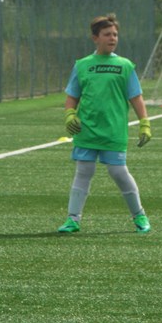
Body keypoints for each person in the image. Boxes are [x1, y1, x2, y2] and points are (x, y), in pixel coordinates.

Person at [57, 13, 152, 234]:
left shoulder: (125, 66)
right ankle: (72, 219)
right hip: (86, 130)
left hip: (113, 131)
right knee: (83, 172)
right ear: (95, 38)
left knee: (119, 173)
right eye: (107, 34)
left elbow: (136, 97)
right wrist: (70, 114)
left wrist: (144, 123)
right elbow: (72, 96)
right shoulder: (82, 65)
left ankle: (139, 215)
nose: (113, 38)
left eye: (115, 34)